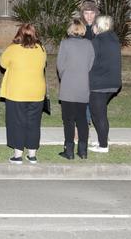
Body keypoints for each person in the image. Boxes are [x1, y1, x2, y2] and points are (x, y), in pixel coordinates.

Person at [0, 23, 47, 164]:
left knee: (17, 122)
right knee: (34, 123)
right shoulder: (41, 49)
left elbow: (2, 63)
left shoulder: (13, 49)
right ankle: (32, 155)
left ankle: (18, 155)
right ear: (34, 34)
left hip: (17, 92)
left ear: (19, 33)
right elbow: (43, 65)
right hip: (37, 93)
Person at [56, 20, 94, 159]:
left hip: (68, 87)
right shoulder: (89, 44)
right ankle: (83, 151)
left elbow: (60, 65)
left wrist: (65, 76)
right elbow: (90, 64)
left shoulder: (65, 43)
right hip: (83, 86)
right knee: (82, 119)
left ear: (70, 29)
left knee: (68, 120)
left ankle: (69, 150)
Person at [88, 15, 122, 153]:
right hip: (113, 82)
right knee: (100, 113)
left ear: (98, 27)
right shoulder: (114, 39)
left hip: (100, 84)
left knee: (98, 114)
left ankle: (103, 145)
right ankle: (102, 141)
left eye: (94, 25)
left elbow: (90, 63)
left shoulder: (97, 41)